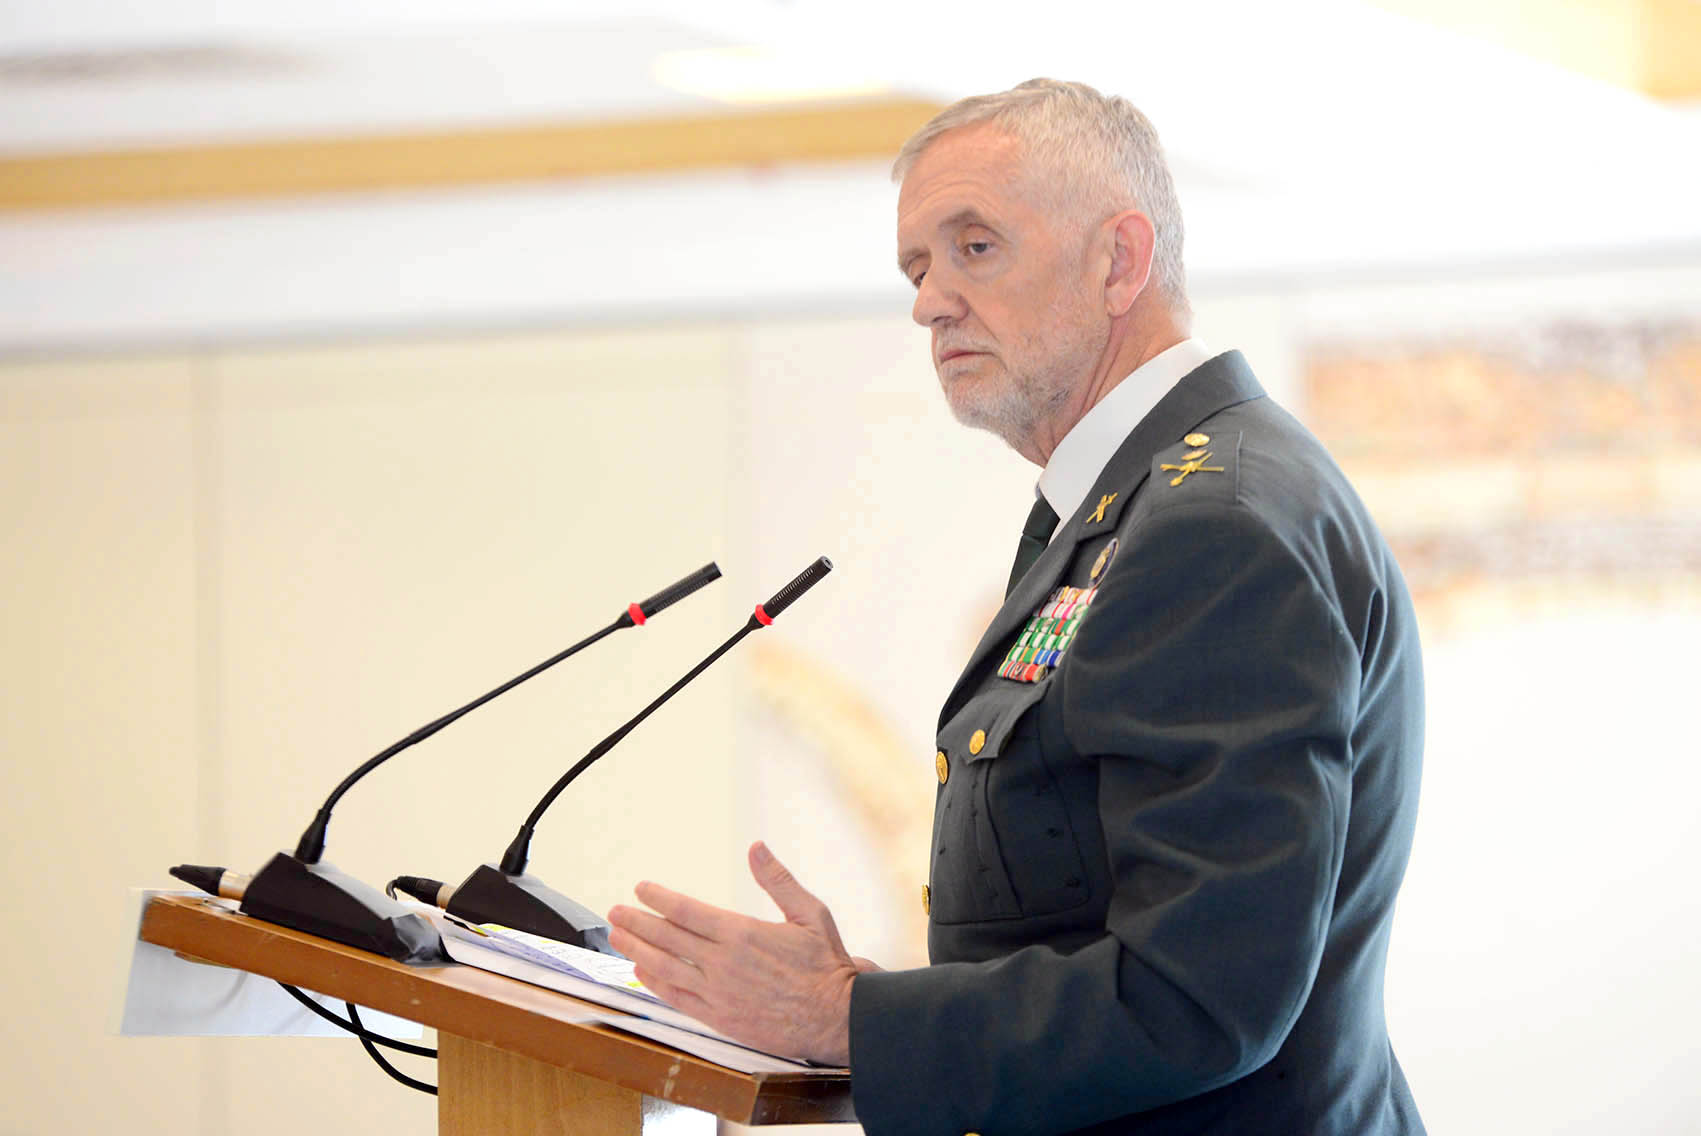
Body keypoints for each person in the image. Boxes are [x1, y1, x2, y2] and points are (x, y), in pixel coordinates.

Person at [608, 79, 1426, 1135]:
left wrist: (850, 1015)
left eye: (976, 246)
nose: (929, 300)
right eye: (917, 266)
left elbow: (1200, 996)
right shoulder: (1144, 502)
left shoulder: (1210, 523)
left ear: (1119, 260)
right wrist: (854, 1012)